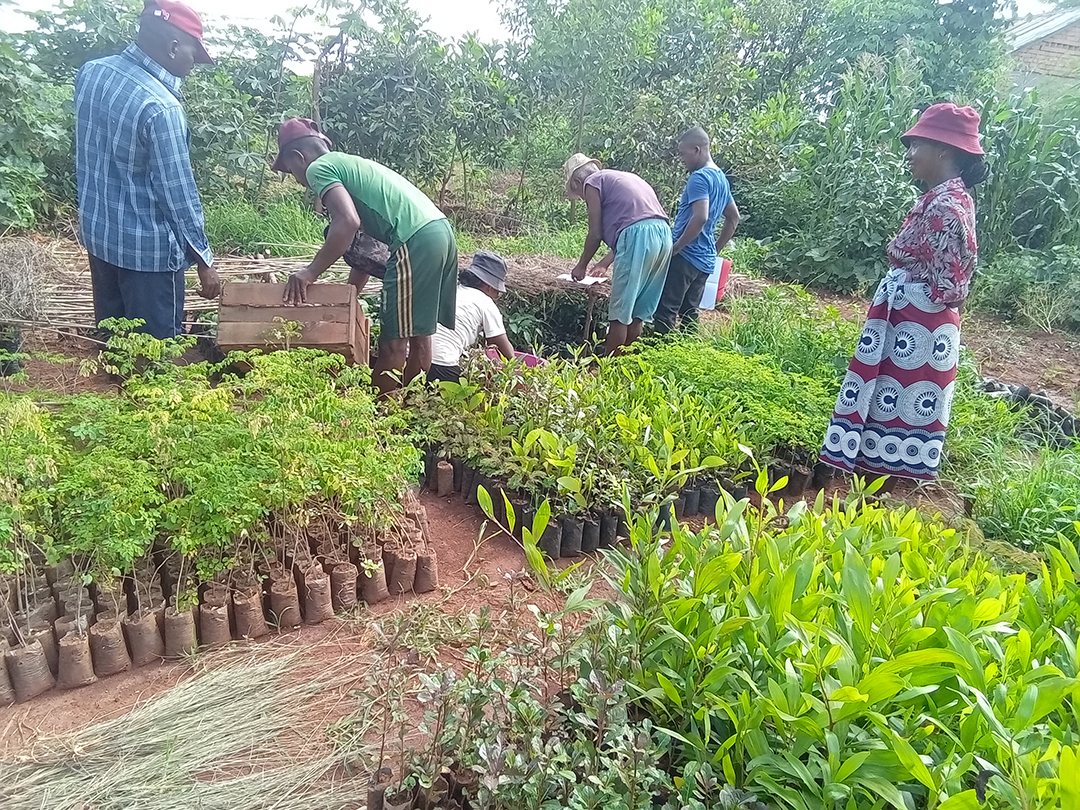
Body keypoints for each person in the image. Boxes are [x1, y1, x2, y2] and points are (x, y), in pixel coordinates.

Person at [820, 103, 990, 484]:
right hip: (912, 325)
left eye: (917, 145)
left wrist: (908, 297)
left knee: (892, 418)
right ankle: (868, 502)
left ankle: (870, 504)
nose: (909, 154)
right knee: (886, 419)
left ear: (943, 150)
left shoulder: (946, 207)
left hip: (916, 331)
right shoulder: (944, 198)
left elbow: (951, 288)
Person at [273, 118, 458, 396]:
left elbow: (347, 223)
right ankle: (413, 409)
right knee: (420, 338)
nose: (298, 180)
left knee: (392, 344)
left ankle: (379, 415)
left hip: (414, 240)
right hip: (440, 233)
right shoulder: (351, 165)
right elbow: (365, 250)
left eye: (291, 171)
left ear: (298, 157)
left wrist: (310, 272)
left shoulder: (319, 168)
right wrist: (350, 297)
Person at [74, 0, 221, 340]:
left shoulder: (92, 73)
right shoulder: (161, 108)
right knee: (153, 356)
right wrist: (204, 261)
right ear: (173, 47)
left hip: (100, 237)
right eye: (193, 53)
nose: (194, 64)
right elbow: (178, 195)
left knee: (114, 343)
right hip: (147, 256)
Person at [563, 154, 672, 356]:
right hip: (664, 237)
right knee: (637, 313)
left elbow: (595, 234)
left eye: (579, 194)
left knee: (620, 314)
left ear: (577, 182)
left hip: (638, 236)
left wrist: (581, 265)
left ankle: (608, 367)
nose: (583, 198)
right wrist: (604, 263)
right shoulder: (622, 178)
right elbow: (635, 225)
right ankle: (623, 365)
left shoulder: (592, 183)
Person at [654, 128, 740, 334]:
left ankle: (659, 351)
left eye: (683, 154)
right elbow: (734, 217)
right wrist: (715, 250)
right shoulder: (721, 178)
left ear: (697, 149)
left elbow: (700, 217)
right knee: (689, 312)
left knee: (666, 311)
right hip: (704, 261)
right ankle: (687, 348)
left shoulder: (699, 178)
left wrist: (677, 247)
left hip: (685, 257)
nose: (682, 159)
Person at [428, 251, 515, 383]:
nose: (496, 296)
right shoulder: (485, 302)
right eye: (497, 292)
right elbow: (499, 343)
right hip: (442, 361)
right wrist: (517, 369)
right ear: (489, 286)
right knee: (455, 396)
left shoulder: (453, 291)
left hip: (414, 356)